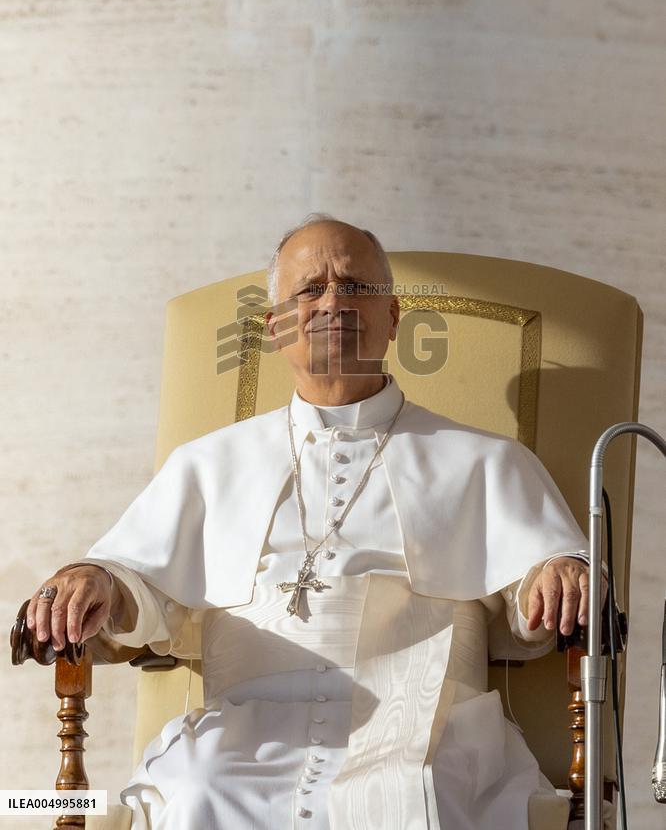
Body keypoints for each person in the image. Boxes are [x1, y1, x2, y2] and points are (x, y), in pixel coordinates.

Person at [26, 214, 605, 830]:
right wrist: (92, 575)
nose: (333, 302)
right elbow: (133, 577)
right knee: (196, 792)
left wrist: (559, 568)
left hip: (429, 728)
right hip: (241, 733)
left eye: (356, 287)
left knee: (429, 792)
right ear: (275, 327)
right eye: (310, 290)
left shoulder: (485, 460)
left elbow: (537, 587)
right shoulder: (206, 463)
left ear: (394, 318)